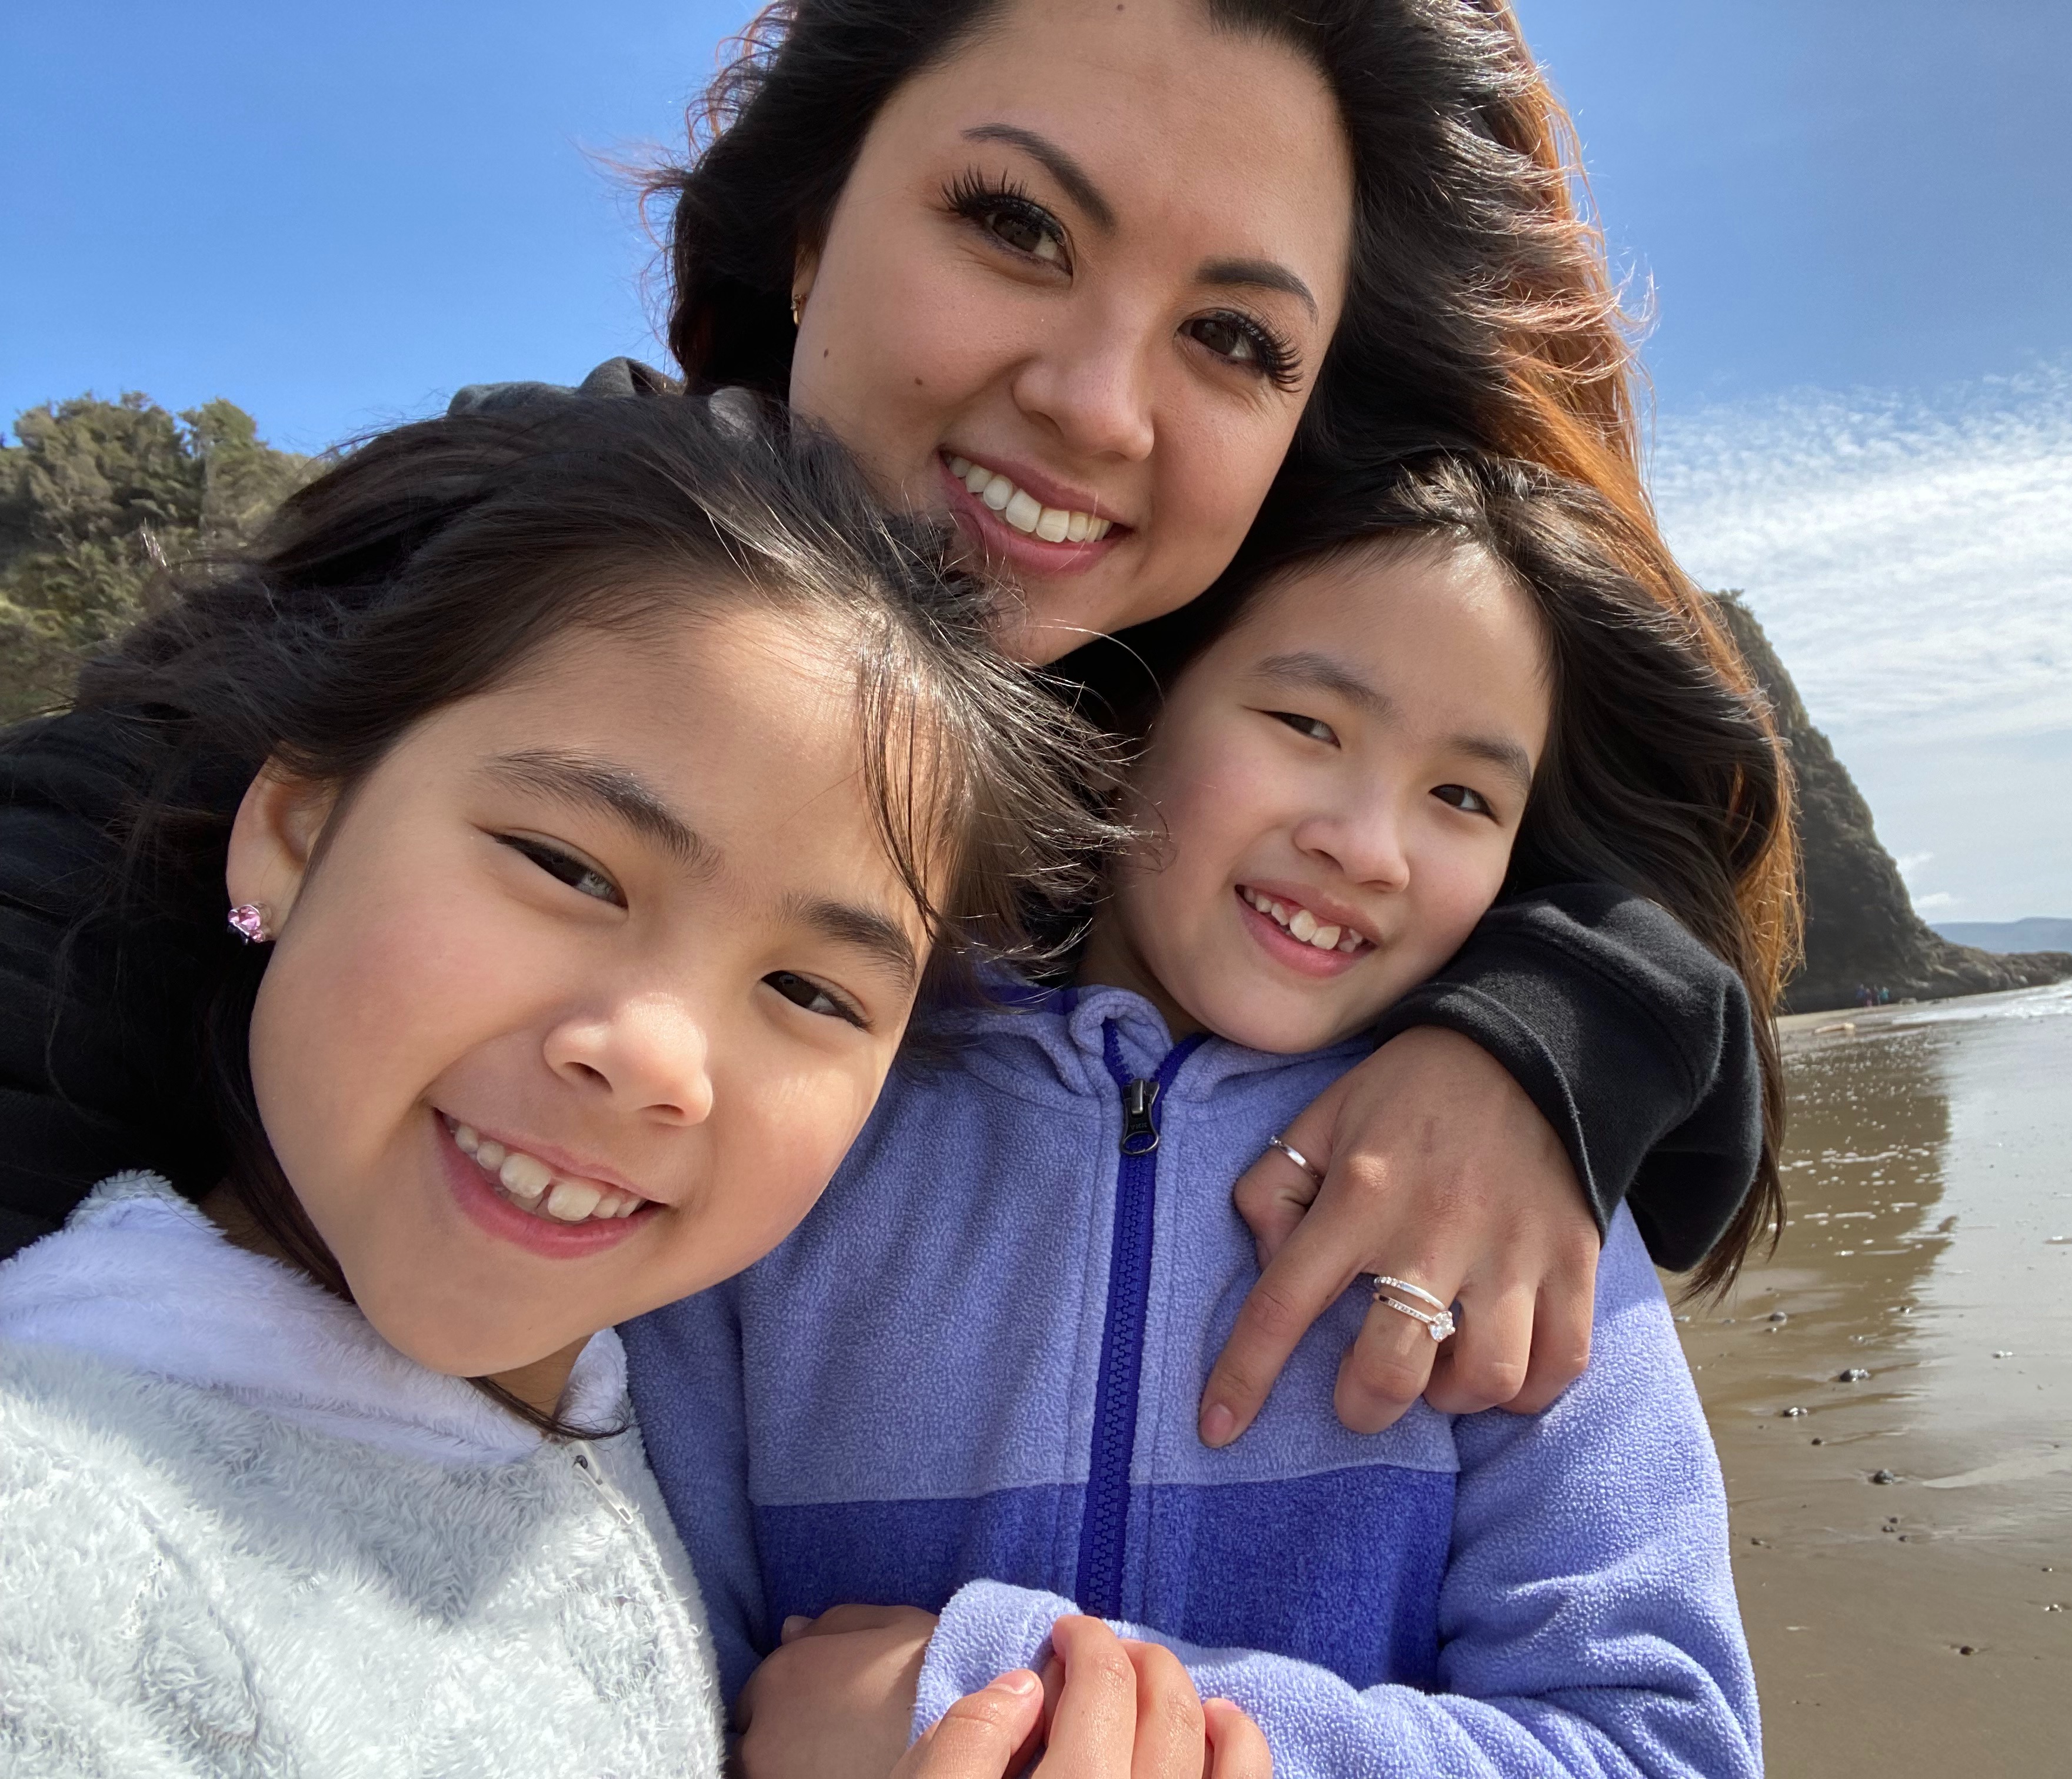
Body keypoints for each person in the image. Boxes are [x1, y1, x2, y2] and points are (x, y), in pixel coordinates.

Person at [0, 0, 1797, 1442]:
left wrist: (1533, 1040)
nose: (1099, 405)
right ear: (808, 231)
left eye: (1236, 342)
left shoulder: (1214, 733)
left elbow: (1659, 956)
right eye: (1015, 226)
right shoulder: (515, 586)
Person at [0, 396, 1269, 1779]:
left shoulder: (624, 1425)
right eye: (569, 868)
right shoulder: (57, 1545)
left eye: (811, 993)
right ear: (297, 830)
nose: (657, 1056)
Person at [631, 452, 1774, 1777]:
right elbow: (627, 1663)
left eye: (1464, 797)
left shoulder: (1510, 1211)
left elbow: (1666, 1745)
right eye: (1307, 725)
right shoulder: (821, 1107)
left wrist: (998, 1716)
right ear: (1138, 706)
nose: (1369, 846)